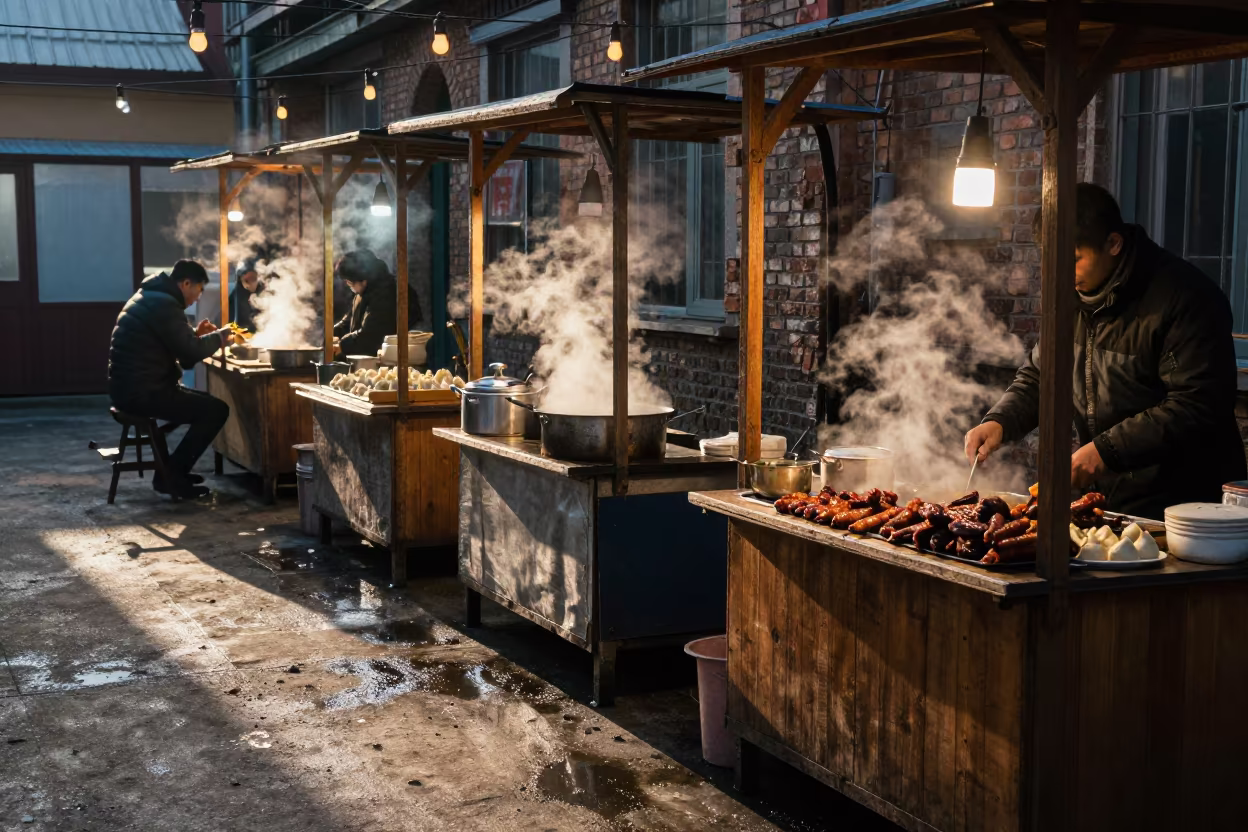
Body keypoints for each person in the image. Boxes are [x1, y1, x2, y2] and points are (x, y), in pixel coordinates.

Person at [964, 183, 1245, 519]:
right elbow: (1043, 375)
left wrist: (1103, 451)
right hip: (1107, 501)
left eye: (1073, 259)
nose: (1062, 274)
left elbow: (1196, 404)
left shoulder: (1186, 298)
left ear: (1113, 244)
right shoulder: (1068, 295)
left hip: (1183, 506)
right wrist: (1001, 421)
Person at [108, 259, 235, 500]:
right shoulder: (164, 305)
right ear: (186, 283)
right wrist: (220, 336)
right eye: (198, 291)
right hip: (142, 392)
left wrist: (196, 336)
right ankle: (172, 477)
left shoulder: (153, 297)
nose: (197, 299)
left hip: (132, 388)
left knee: (206, 404)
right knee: (215, 411)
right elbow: (189, 354)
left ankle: (170, 472)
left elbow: (183, 353)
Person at [332, 248, 422, 358]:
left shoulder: (388, 293)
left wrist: (343, 345)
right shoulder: (365, 292)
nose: (347, 284)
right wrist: (332, 333)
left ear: (363, 280)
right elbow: (349, 321)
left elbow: (372, 335)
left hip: (395, 360)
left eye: (349, 282)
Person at [228, 258, 263, 332]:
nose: (247, 285)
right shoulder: (237, 296)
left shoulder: (268, 293)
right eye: (243, 280)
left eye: (252, 279)